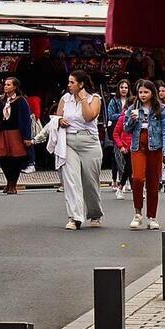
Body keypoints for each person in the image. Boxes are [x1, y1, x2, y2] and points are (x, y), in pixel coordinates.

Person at [53, 71, 103, 229]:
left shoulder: (94, 98)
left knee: (90, 181)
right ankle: (74, 217)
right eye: (68, 82)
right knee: (71, 181)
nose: (68, 85)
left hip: (89, 141)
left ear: (81, 84)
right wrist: (60, 121)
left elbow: (89, 117)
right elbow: (56, 117)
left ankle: (94, 213)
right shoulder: (65, 99)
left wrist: (82, 99)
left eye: (72, 82)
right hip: (69, 141)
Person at [123, 79, 165, 230]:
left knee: (153, 182)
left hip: (155, 147)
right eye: (140, 92)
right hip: (138, 146)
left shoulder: (160, 108)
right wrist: (131, 120)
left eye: (146, 92)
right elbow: (126, 129)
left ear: (152, 93)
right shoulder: (133, 108)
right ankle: (138, 213)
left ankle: (152, 216)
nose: (143, 95)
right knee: (137, 178)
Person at [0, 77, 31, 195]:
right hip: (2, 132)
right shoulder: (1, 100)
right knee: (3, 158)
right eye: (5, 84)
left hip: (15, 133)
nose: (6, 86)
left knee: (15, 159)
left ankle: (13, 184)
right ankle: (9, 181)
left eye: (9, 85)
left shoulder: (21, 101)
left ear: (15, 87)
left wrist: (27, 137)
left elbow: (26, 120)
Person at [106, 79, 133, 198]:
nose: (124, 89)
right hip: (119, 133)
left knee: (129, 163)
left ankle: (126, 183)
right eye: (121, 87)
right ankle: (121, 181)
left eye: (126, 87)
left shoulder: (133, 101)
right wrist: (123, 115)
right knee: (118, 159)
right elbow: (110, 115)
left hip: (131, 138)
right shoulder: (114, 101)